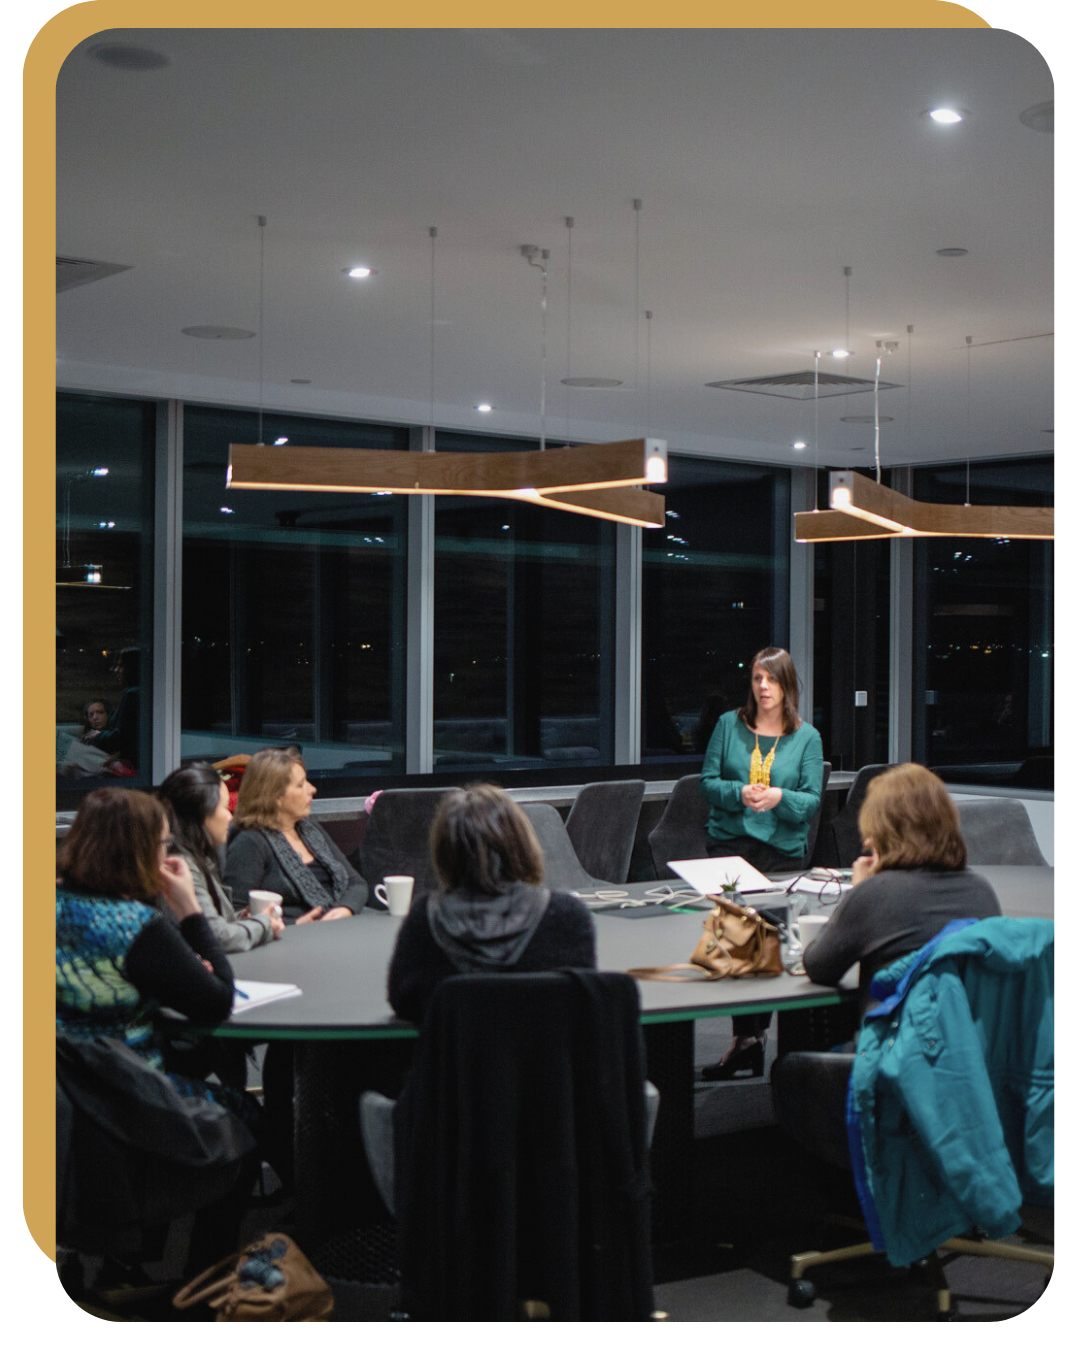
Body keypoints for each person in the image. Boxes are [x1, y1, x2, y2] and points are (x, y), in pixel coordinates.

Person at [56, 787, 258, 1274]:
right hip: (124, 1095)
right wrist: (190, 912)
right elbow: (217, 1000)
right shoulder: (133, 926)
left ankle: (133, 1260)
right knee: (247, 1114)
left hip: (62, 1099)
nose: (170, 854)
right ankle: (204, 1278)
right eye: (165, 844)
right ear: (139, 851)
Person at [698, 646, 824, 1080]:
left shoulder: (807, 737)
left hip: (781, 850)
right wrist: (739, 794)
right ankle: (745, 1040)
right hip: (729, 845)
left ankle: (759, 1040)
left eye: (771, 679)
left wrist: (778, 797)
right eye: (757, 678)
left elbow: (810, 801)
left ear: (787, 685)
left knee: (772, 947)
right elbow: (707, 783)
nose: (763, 686)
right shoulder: (728, 725)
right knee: (736, 945)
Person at [388, 783, 597, 1024]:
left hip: (459, 1049)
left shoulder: (424, 919)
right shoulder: (567, 917)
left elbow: (403, 1003)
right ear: (521, 844)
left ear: (444, 852)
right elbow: (583, 1008)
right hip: (547, 1049)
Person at [803, 762, 1002, 1016]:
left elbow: (819, 967)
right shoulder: (981, 890)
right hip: (967, 1036)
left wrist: (858, 891)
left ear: (880, 832)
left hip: (896, 1038)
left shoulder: (875, 894)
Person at [224, 747, 368, 922]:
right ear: (275, 797)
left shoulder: (310, 830)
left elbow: (356, 884)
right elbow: (237, 914)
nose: (312, 789)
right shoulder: (250, 842)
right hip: (291, 935)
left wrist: (345, 908)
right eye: (301, 785)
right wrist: (295, 925)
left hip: (339, 926)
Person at [158, 762, 285, 952]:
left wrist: (244, 919)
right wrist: (263, 923)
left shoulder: (197, 856)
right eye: (225, 807)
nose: (229, 816)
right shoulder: (180, 866)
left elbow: (214, 924)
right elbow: (215, 937)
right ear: (202, 813)